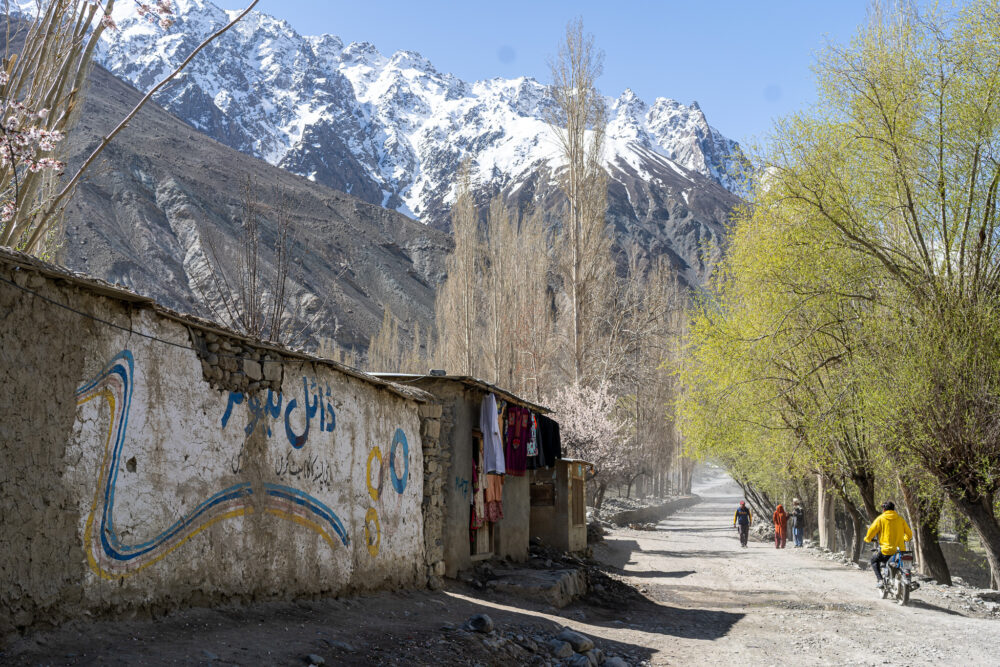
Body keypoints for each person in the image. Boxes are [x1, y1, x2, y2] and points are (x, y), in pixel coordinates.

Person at [864, 500, 913, 588]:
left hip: (886, 551)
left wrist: (868, 539)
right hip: (901, 551)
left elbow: (871, 530)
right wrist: (904, 539)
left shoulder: (880, 519)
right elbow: (909, 534)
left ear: (884, 510)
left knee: (874, 560)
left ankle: (880, 580)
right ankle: (907, 579)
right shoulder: (900, 519)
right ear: (893, 509)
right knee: (906, 563)